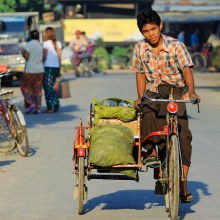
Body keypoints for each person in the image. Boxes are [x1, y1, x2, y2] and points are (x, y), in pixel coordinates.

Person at [130, 9, 200, 203]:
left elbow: (186, 69)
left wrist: (191, 91)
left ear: (160, 26)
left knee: (184, 134)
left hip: (174, 90)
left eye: (153, 28)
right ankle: (152, 153)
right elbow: (140, 73)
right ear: (142, 33)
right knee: (148, 114)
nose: (151, 33)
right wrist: (140, 97)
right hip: (153, 91)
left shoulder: (176, 46)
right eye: (146, 31)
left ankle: (183, 183)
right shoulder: (139, 49)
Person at [21, 30, 44, 114]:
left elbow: (27, 56)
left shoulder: (29, 44)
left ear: (30, 36)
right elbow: (43, 57)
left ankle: (30, 104)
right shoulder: (40, 45)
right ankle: (38, 108)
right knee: (38, 89)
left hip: (30, 70)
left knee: (25, 88)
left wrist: (23, 53)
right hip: (40, 70)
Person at [43, 27, 62, 113]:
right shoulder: (58, 43)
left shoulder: (45, 44)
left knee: (48, 87)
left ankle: (53, 104)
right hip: (56, 68)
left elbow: (44, 57)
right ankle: (53, 104)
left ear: (47, 34)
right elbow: (59, 57)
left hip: (48, 68)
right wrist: (60, 70)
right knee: (51, 86)